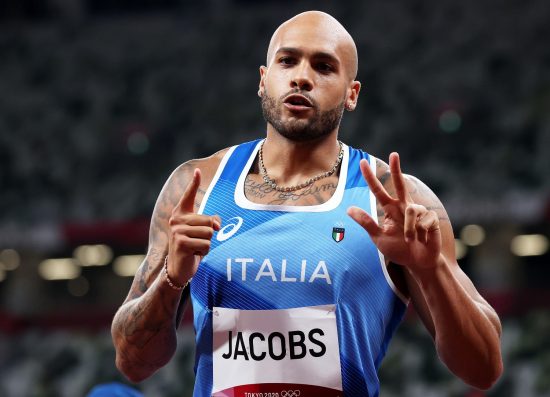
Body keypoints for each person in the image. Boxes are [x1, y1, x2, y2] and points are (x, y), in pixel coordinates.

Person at [111, 10, 503, 396]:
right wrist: (171, 279)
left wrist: (432, 269)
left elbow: (483, 369)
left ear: (352, 93)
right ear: (264, 81)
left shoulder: (395, 201)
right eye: (287, 61)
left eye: (324, 67)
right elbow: (133, 363)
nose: (302, 76)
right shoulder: (196, 187)